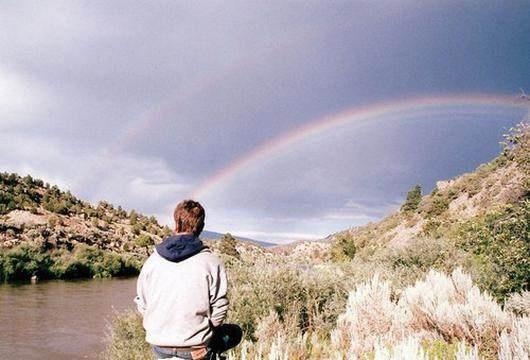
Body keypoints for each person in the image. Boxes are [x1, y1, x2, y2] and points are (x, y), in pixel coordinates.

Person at [135, 200, 242, 360]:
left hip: (160, 347)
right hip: (196, 349)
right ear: (201, 226)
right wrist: (207, 330)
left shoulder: (152, 261)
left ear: (175, 223)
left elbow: (142, 304)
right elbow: (219, 307)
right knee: (235, 332)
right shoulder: (211, 261)